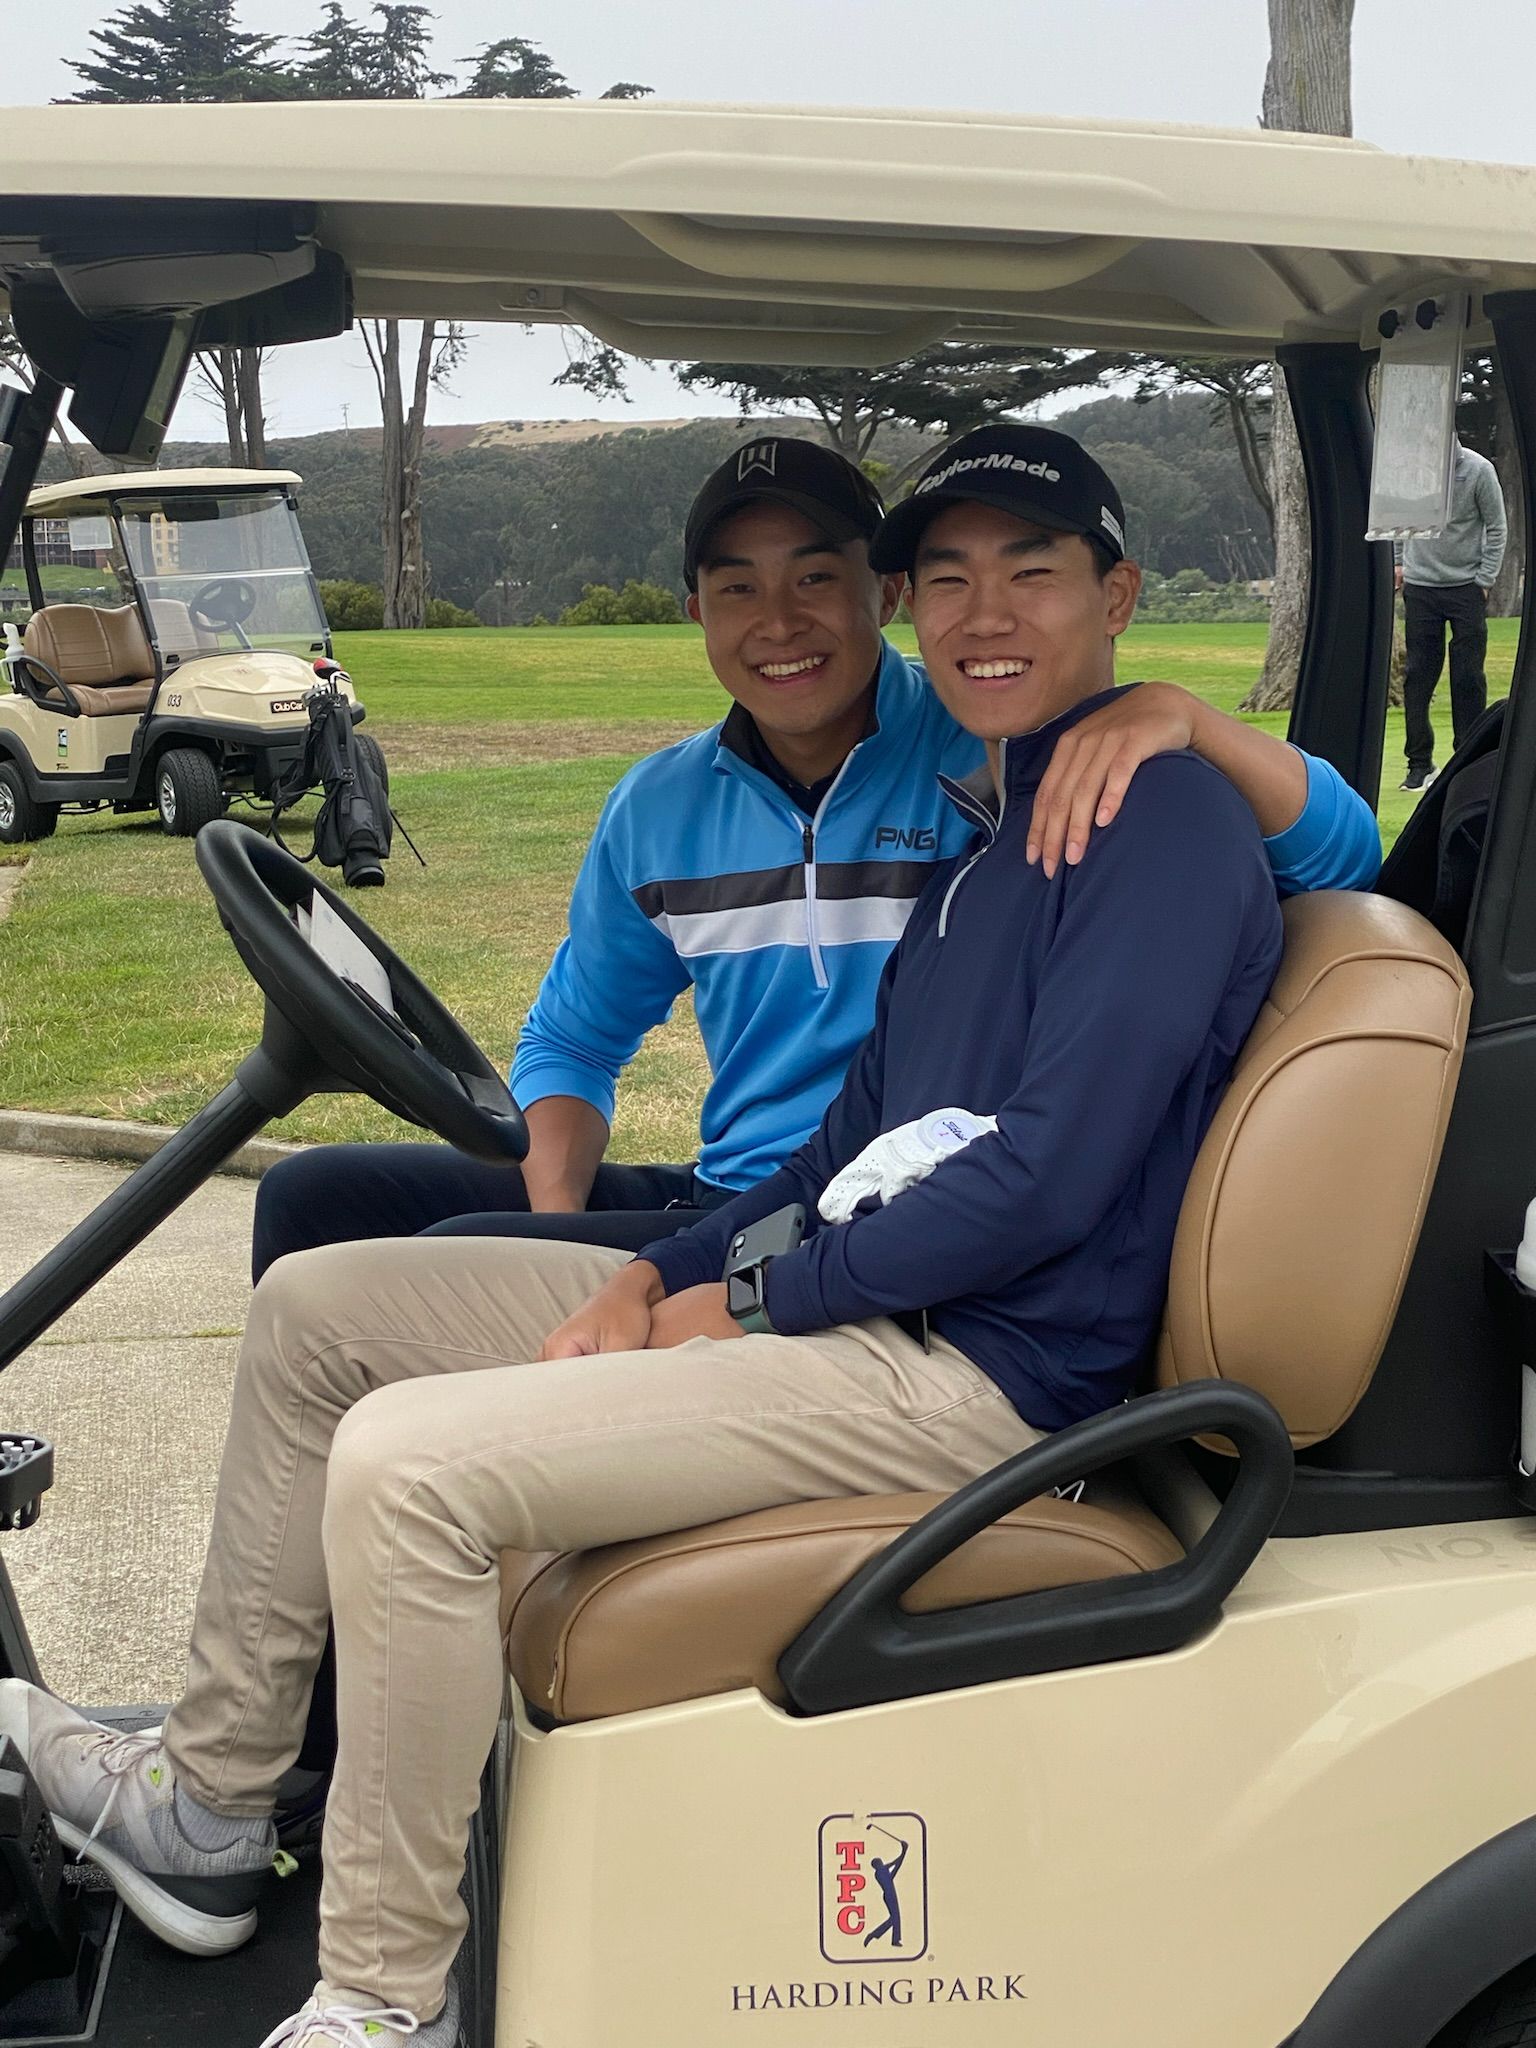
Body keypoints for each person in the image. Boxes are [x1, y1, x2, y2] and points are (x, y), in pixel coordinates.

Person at [0, 424, 1285, 2046]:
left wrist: (753, 1306)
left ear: (1118, 594)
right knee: (317, 1303)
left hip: (980, 1368)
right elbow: (842, 1142)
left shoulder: (1154, 825)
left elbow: (1041, 1179)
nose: (985, 612)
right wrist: (654, 1270)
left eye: (1032, 571)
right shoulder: (987, 843)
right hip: (880, 1300)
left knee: (410, 1465)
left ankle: (380, 1994)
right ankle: (207, 1798)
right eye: (948, 575)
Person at [252, 438, 1378, 1281]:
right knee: (314, 1199)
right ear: (694, 610)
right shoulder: (658, 810)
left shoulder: (1001, 753)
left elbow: (1343, 853)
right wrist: (562, 1214)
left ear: (880, 594)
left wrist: (1188, 715)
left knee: (443, 1261)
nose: (779, 621)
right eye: (737, 586)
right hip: (738, 1186)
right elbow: (573, 1036)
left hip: (880, 1210)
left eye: (816, 578)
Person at [1396, 436, 1508, 792]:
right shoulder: (1411, 472)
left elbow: (1497, 526)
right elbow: (1398, 517)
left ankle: (1468, 759)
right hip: (1420, 586)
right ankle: (1418, 763)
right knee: (1417, 678)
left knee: (1468, 677)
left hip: (1465, 587)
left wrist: (1485, 578)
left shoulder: (1478, 470)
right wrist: (1399, 562)